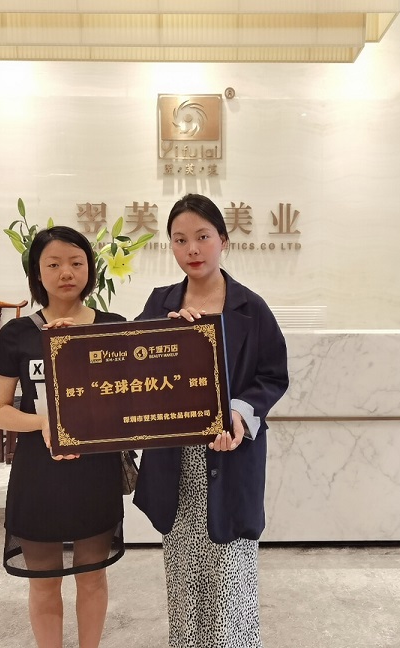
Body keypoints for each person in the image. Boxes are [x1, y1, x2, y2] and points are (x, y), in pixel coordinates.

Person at [133, 194, 289, 648]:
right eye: (180, 240)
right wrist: (166, 336)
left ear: (223, 240)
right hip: (175, 463)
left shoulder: (251, 308)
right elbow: (131, 367)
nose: (192, 249)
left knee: (230, 574)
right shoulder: (160, 303)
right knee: (184, 576)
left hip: (230, 455)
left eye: (202, 237)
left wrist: (240, 413)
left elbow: (272, 376)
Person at [0, 225, 125, 648]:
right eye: (53, 264)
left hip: (95, 472)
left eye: (76, 262)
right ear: (37, 272)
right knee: (44, 581)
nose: (66, 272)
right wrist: (43, 423)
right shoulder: (17, 334)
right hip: (38, 473)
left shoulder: (113, 327)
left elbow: (127, 404)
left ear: (90, 269)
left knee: (92, 576)